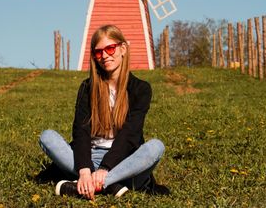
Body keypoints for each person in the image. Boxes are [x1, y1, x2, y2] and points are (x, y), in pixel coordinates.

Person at [38, 25, 169, 200]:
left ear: (122, 48)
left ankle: (90, 184)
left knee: (156, 147)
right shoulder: (87, 87)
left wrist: (105, 168)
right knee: (47, 136)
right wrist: (85, 170)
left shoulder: (141, 89)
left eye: (110, 48)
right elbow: (81, 131)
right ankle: (108, 185)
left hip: (124, 160)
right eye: (98, 52)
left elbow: (131, 135)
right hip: (89, 156)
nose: (104, 55)